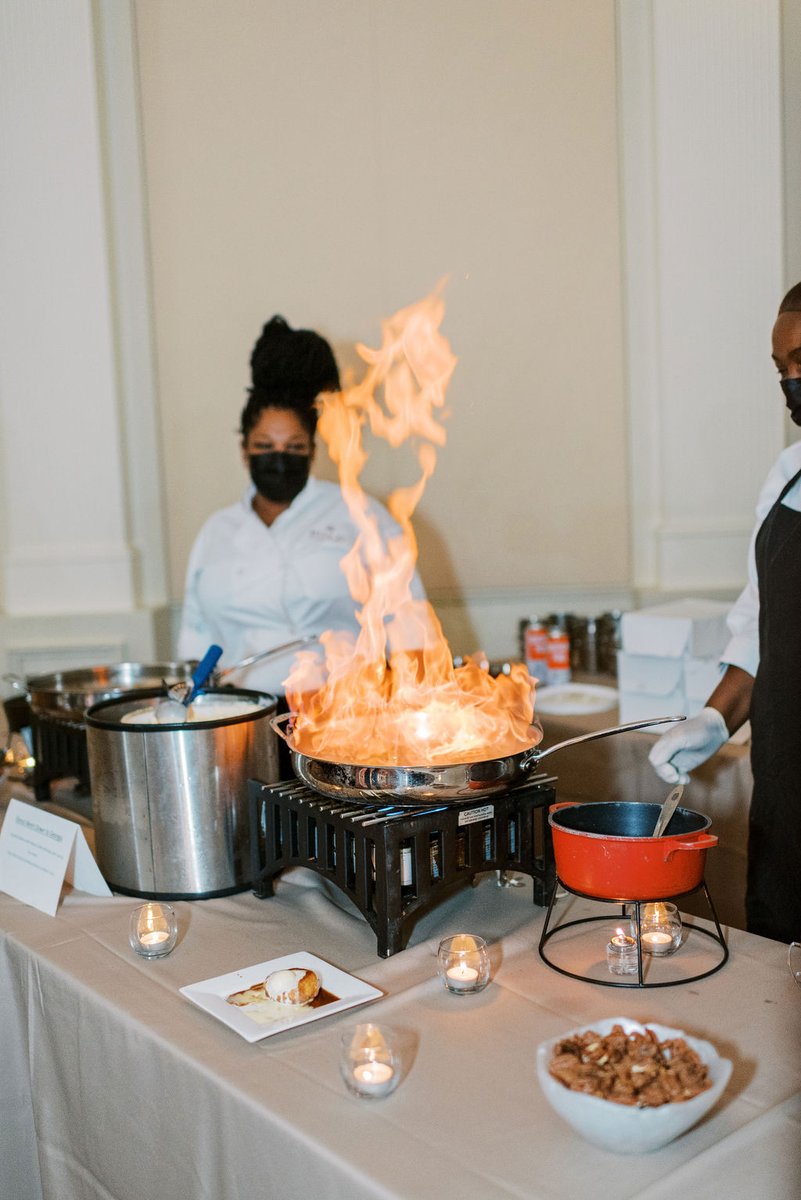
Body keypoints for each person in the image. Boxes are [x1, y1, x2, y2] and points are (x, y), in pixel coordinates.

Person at [649, 282, 801, 944]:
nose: (791, 385)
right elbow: (757, 625)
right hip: (787, 782)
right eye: (780, 371)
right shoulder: (787, 475)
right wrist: (714, 717)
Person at [177, 315, 425, 696]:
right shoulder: (216, 532)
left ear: (312, 451)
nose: (279, 458)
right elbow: (195, 637)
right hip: (238, 717)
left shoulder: (360, 514)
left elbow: (409, 622)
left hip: (341, 713)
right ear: (244, 449)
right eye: (264, 446)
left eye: (294, 447)